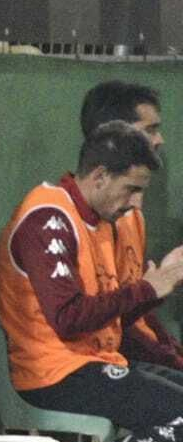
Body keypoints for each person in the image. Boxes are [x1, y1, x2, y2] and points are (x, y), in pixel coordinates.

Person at [0, 122, 183, 442]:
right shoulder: (48, 218)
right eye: (131, 189)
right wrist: (149, 287)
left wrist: (156, 289)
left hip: (94, 364)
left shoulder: (98, 220)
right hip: (52, 374)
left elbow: (108, 317)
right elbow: (67, 317)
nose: (136, 203)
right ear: (99, 176)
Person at [78, 81, 183, 373]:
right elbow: (102, 321)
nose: (159, 139)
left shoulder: (133, 219)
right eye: (149, 129)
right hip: (90, 366)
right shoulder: (73, 221)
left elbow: (132, 314)